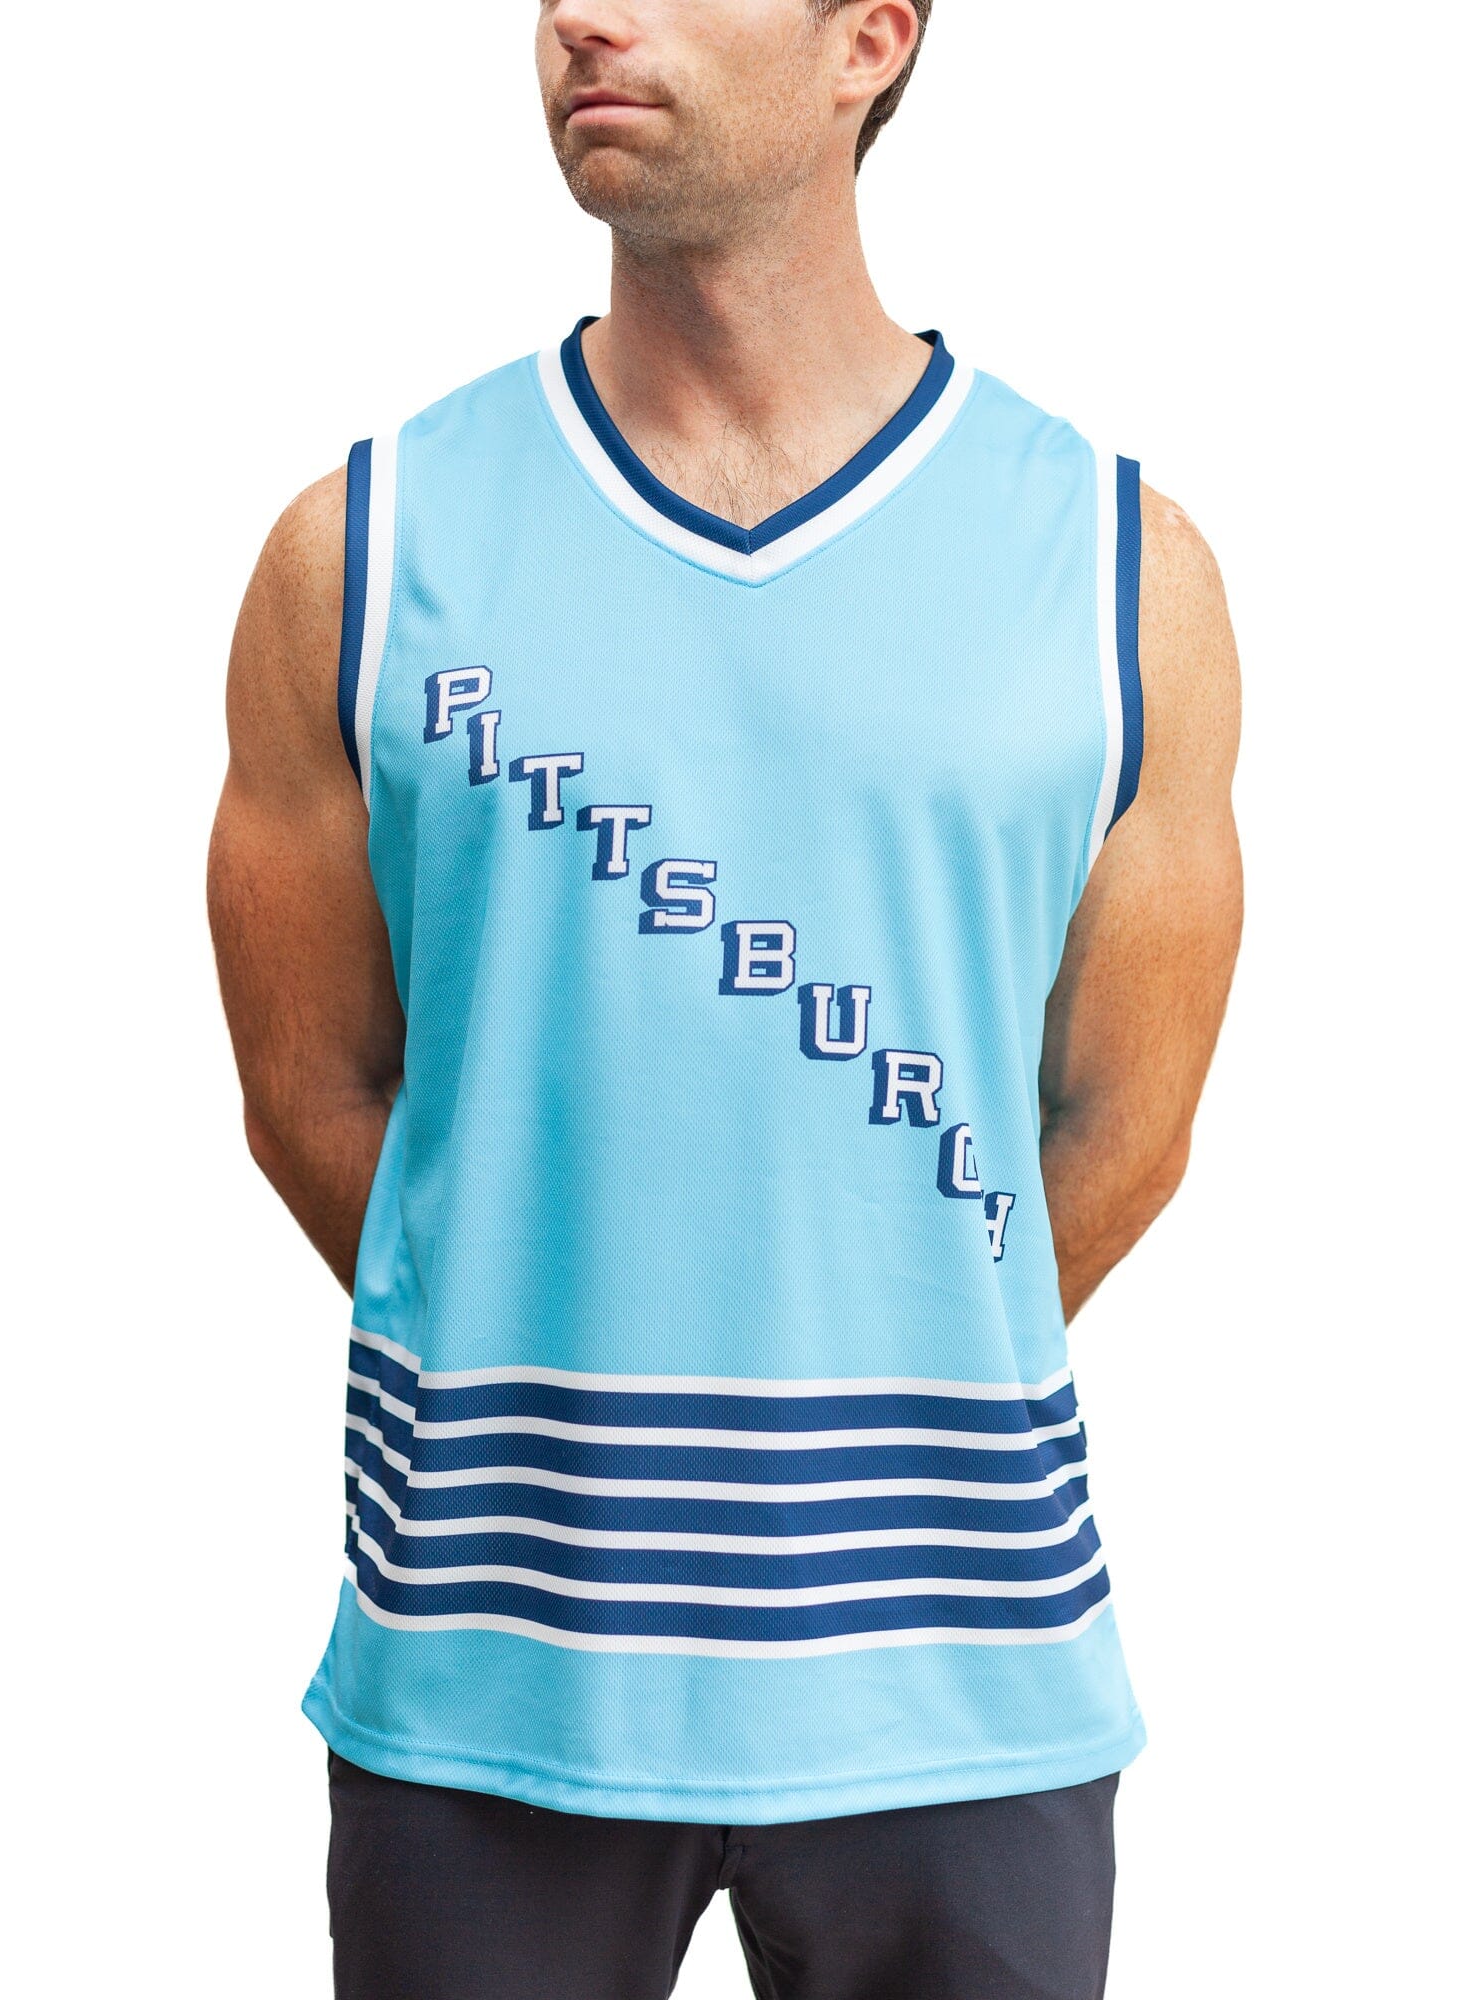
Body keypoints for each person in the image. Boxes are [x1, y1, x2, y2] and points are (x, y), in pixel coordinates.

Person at [207, 3, 1243, 1994]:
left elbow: (1125, 1122)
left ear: (871, 42)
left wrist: (887, 1345)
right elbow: (314, 1093)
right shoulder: (361, 554)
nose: (583, 19)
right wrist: (540, 1338)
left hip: (961, 1684)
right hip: (486, 1675)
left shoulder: (1123, 570)